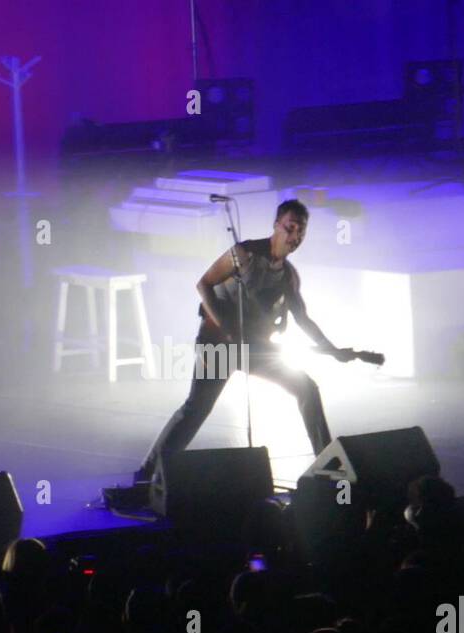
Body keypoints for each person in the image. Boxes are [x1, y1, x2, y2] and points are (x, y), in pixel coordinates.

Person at [135, 199, 361, 483]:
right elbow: (203, 284)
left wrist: (332, 350)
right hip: (218, 344)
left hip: (253, 349)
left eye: (301, 231)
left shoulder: (289, 277)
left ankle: (330, 471)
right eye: (290, 228)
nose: (295, 237)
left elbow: (303, 318)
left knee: (306, 388)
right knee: (196, 409)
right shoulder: (243, 253)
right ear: (276, 225)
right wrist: (226, 327)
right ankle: (148, 473)